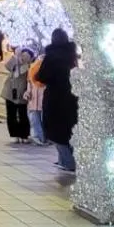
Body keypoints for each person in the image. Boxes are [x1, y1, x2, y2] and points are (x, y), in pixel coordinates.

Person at [35, 27, 79, 172]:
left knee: (56, 131)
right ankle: (64, 160)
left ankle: (68, 162)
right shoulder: (73, 56)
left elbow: (41, 76)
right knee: (67, 131)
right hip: (72, 97)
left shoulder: (51, 56)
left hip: (55, 98)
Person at [1, 48, 33, 142]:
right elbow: (7, 66)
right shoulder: (15, 61)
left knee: (23, 114)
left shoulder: (28, 67)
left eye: (26, 57)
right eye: (23, 56)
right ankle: (15, 135)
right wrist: (15, 57)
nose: (23, 58)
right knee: (11, 114)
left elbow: (23, 74)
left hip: (22, 93)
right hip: (10, 91)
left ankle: (24, 135)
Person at [25, 50, 47, 145]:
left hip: (42, 101)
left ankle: (42, 138)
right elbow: (30, 84)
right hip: (35, 100)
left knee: (40, 121)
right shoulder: (32, 70)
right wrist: (27, 93)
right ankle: (38, 138)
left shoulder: (48, 72)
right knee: (35, 120)